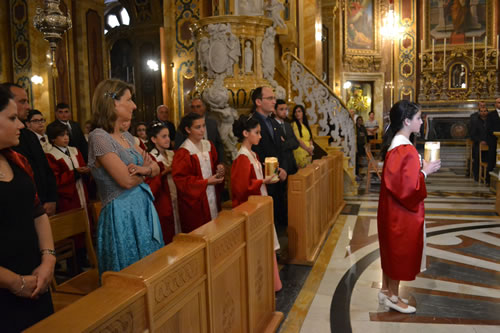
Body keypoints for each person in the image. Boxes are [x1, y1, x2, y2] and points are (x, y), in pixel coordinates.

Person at [87, 79, 164, 275]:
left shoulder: (126, 136)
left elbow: (156, 167)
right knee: (129, 275)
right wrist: (145, 171)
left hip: (141, 208)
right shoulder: (99, 137)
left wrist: (144, 171)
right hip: (121, 214)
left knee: (151, 270)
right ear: (114, 103)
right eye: (129, 100)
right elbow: (126, 181)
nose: (135, 105)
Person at [0, 86, 56, 332]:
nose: (21, 125)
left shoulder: (16, 159)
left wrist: (48, 259)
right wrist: (13, 282)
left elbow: (37, 211)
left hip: (34, 277)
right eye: (12, 118)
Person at [377, 100, 441, 314]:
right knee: (398, 251)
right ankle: (393, 297)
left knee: (391, 250)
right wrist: (426, 172)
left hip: (392, 209)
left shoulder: (399, 144)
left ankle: (386, 291)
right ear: (406, 121)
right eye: (418, 118)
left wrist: (420, 169)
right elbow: (406, 188)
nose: (421, 122)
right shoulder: (404, 148)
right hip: (401, 213)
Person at [231, 114, 282, 291]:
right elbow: (241, 188)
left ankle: (270, 283)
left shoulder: (252, 154)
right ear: (245, 133)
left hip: (260, 203)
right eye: (257, 132)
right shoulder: (242, 158)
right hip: (250, 207)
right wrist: (263, 182)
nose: (260, 136)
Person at [1, 83, 57, 216]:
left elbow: (45, 168)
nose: (28, 106)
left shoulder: (30, 135)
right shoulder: (8, 143)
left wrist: (51, 198)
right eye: (22, 101)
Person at [172, 112, 225, 233]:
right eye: (197, 127)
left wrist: (220, 169)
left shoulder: (209, 145)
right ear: (187, 129)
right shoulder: (183, 152)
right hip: (196, 204)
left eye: (203, 126)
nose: (202, 130)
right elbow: (181, 181)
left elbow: (216, 164)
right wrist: (206, 182)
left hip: (212, 197)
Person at [250, 87, 288, 228]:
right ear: (258, 101)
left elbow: (281, 149)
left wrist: (283, 168)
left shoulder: (273, 123)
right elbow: (256, 151)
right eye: (270, 98)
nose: (274, 101)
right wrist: (276, 170)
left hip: (278, 177)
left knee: (278, 218)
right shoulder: (251, 123)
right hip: (264, 178)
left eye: (274, 98)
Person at [145, 122, 179, 244]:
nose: (168, 139)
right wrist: (165, 171)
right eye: (163, 136)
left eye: (168, 136)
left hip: (175, 195)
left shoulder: (172, 153)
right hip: (162, 198)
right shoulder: (150, 157)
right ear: (154, 139)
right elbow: (149, 183)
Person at [45, 122, 89, 213]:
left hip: (81, 189)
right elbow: (55, 180)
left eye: (67, 134)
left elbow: (82, 166)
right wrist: (75, 173)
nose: (66, 138)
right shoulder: (50, 155)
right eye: (62, 135)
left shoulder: (75, 150)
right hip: (67, 197)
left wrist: (86, 170)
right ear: (53, 138)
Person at [174, 98, 224, 163]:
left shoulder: (212, 123)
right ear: (188, 129)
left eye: (198, 106)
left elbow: (219, 144)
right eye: (193, 107)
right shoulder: (185, 124)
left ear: (204, 107)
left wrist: (221, 163)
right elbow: (178, 146)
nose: (195, 109)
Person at [470, 102, 488, 181]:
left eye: (485, 111)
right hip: (478, 143)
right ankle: (477, 175)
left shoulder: (490, 121)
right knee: (477, 156)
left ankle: (487, 175)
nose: (483, 113)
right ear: (479, 112)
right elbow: (472, 134)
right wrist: (480, 141)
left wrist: (487, 141)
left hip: (488, 143)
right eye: (481, 111)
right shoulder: (476, 122)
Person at [485, 98, 500, 184]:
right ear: (495, 104)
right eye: (498, 102)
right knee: (491, 160)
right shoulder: (491, 115)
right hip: (494, 140)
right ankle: (489, 181)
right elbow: (489, 128)